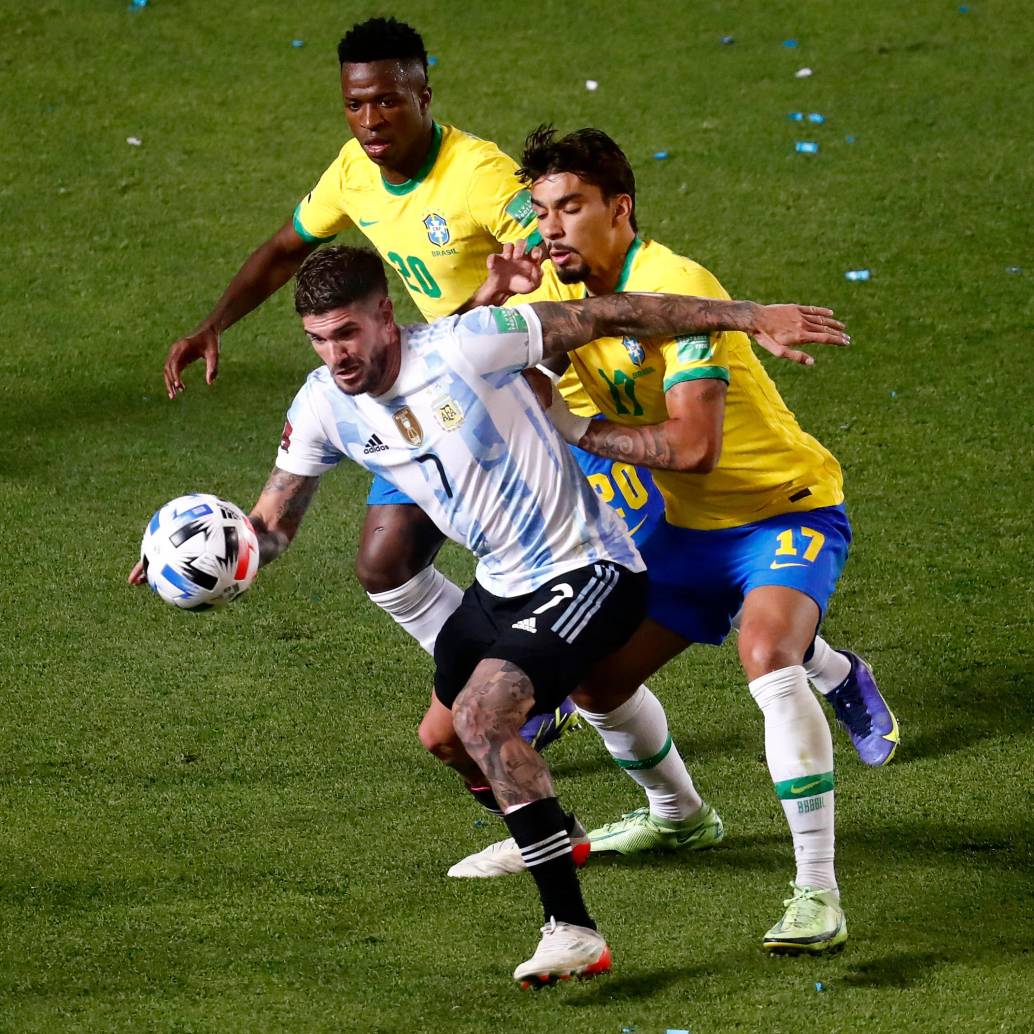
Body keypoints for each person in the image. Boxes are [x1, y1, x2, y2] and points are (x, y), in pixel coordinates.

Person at [133, 244, 849, 983]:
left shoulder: (471, 345)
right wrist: (190, 553)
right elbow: (272, 526)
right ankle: (554, 827)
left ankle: (573, 930)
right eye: (319, 338)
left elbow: (611, 313)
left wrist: (747, 315)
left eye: (347, 332)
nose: (336, 354)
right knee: (443, 737)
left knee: (483, 716)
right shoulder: (322, 405)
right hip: (503, 583)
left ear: (385, 316)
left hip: (589, 567)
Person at [450, 127, 899, 956]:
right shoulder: (551, 285)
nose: (551, 229)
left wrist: (575, 424)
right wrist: (488, 301)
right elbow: (453, 368)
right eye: (541, 211)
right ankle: (680, 818)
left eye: (571, 208)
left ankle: (817, 892)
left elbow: (694, 448)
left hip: (783, 513)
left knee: (767, 656)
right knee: (593, 684)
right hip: (678, 534)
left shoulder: (677, 286)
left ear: (619, 210)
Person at [159, 15, 663, 750]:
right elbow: (284, 248)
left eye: (388, 101)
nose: (371, 120)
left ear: (424, 94)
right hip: (422, 388)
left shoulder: (480, 175)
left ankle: (807, 663)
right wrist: (214, 324)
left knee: (660, 592)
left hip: (516, 389)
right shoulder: (352, 172)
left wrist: (515, 304)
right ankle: (518, 690)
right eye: (356, 104)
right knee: (384, 564)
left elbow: (553, 253)